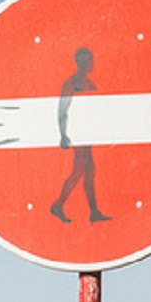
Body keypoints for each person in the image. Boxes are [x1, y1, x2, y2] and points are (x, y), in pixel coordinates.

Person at [50, 48, 111, 224]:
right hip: (78, 135)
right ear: (82, 62)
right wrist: (63, 134)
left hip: (88, 134)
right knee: (79, 171)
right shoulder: (72, 83)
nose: (92, 63)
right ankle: (58, 205)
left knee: (89, 172)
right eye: (89, 60)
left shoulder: (89, 84)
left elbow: (95, 111)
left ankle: (93, 212)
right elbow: (63, 109)